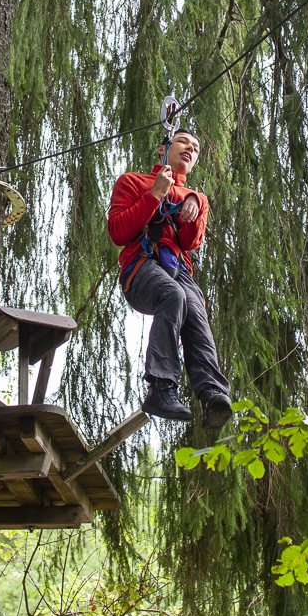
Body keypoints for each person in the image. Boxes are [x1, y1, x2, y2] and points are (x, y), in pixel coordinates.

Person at [107, 129, 231, 429]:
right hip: (142, 265)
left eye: (197, 148)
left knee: (194, 308)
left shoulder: (196, 198)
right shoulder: (133, 182)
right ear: (163, 148)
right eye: (183, 142)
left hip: (177, 267)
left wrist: (197, 204)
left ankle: (211, 392)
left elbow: (190, 242)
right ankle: (160, 387)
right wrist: (155, 195)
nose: (190, 149)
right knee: (173, 295)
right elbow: (118, 232)